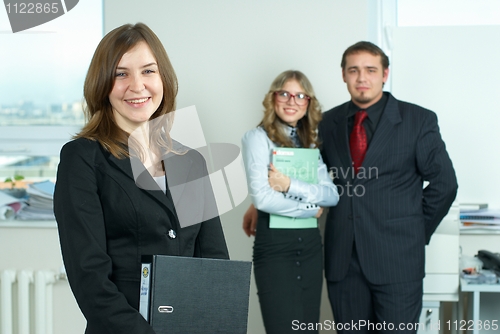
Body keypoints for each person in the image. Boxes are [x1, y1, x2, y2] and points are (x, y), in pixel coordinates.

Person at [244, 42, 458, 333]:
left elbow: (445, 185)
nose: (362, 78)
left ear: (385, 74)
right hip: (343, 262)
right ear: (343, 75)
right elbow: (313, 175)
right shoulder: (327, 122)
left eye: (370, 70)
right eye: (353, 70)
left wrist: (415, 233)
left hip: (397, 261)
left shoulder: (417, 120)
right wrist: (260, 202)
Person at [54, 23, 229, 334]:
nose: (137, 85)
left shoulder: (191, 162)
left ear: (163, 79)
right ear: (102, 84)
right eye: (121, 74)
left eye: (148, 71)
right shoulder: (82, 159)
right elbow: (89, 275)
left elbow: (214, 264)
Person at [241, 70, 339, 333]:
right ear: (273, 98)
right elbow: (262, 198)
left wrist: (288, 185)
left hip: (309, 248)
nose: (292, 100)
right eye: (284, 93)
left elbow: (332, 195)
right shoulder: (257, 138)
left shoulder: (309, 144)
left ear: (308, 103)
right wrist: (310, 207)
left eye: (300, 95)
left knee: (308, 329)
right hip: (275, 249)